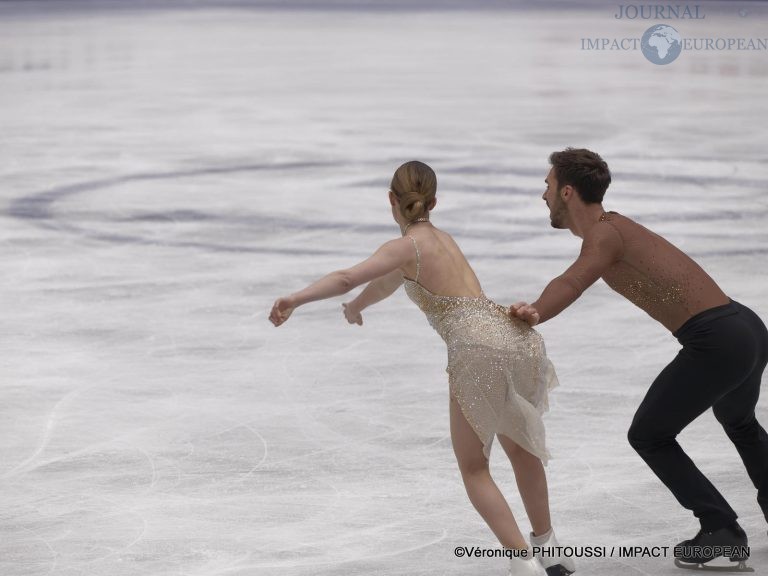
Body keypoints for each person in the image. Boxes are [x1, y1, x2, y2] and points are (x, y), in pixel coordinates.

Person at [270, 160, 576, 576]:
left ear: (391, 201)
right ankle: (550, 549)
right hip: (513, 334)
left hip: (475, 348)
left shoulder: (404, 246)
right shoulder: (440, 240)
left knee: (473, 467)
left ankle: (522, 564)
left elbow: (346, 276)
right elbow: (386, 281)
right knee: (520, 450)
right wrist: (358, 306)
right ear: (434, 201)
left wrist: (294, 299)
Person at [509, 147, 768, 572]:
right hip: (744, 328)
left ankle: (720, 528)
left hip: (718, 339)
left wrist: (537, 310)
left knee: (649, 434)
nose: (544, 195)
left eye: (547, 185)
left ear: (568, 191)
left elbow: (574, 280)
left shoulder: (605, 234)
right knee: (740, 422)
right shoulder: (614, 228)